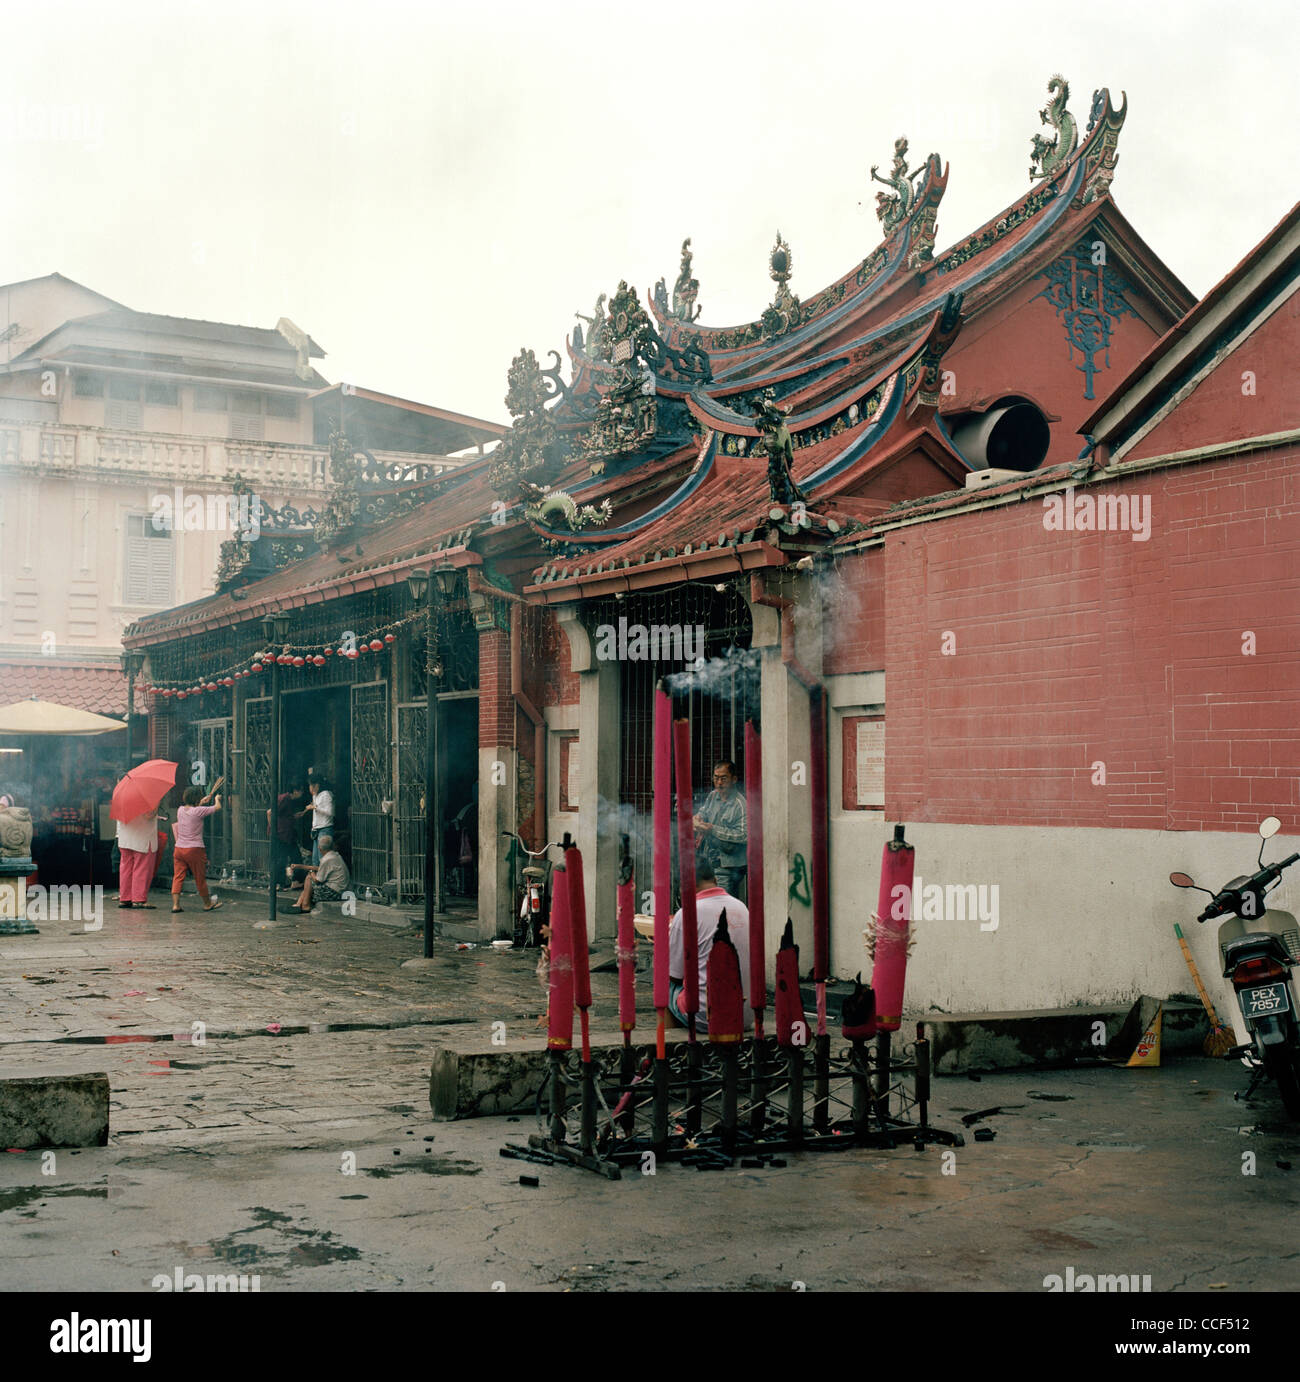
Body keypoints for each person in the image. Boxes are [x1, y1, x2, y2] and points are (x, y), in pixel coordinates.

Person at [667, 856, 750, 1034]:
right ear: (716, 880)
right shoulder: (742, 907)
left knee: (664, 985)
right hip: (746, 1015)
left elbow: (675, 975)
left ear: (684, 886)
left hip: (706, 1017)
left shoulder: (687, 913)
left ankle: (671, 1045)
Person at [692, 760, 748, 898]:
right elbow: (703, 812)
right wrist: (697, 819)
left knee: (722, 902)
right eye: (716, 778)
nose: (719, 782)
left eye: (723, 778)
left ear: (734, 779)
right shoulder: (713, 796)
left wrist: (713, 830)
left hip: (730, 864)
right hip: (710, 860)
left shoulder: (740, 804)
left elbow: (743, 835)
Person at [172, 784, 222, 913]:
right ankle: (207, 903)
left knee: (178, 877)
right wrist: (216, 798)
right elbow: (217, 807)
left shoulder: (180, 810)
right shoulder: (199, 811)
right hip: (194, 849)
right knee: (199, 877)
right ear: (197, 798)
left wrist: (202, 801)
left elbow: (194, 810)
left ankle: (176, 905)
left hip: (179, 848)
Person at [115, 808, 160, 909]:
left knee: (125, 869)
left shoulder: (122, 797)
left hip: (125, 837)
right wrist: (156, 807)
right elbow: (149, 815)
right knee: (142, 868)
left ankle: (125, 898)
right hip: (142, 837)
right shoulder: (147, 798)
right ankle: (139, 899)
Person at [294, 834, 350, 914]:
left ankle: (305, 905)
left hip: (335, 893)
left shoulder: (326, 859)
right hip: (340, 890)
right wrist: (301, 866)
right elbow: (320, 869)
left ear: (319, 848)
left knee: (309, 878)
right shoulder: (335, 855)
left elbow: (317, 880)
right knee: (309, 882)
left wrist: (311, 872)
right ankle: (299, 904)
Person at [267, 786, 306, 889]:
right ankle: (277, 883)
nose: (302, 794)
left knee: (295, 856)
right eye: (301, 791)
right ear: (295, 790)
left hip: (288, 834)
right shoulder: (285, 799)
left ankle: (295, 881)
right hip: (281, 834)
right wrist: (272, 830)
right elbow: (270, 812)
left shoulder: (288, 800)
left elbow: (284, 816)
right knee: (282, 859)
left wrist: (294, 816)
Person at [300, 771, 334, 865]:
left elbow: (330, 812)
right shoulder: (315, 796)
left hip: (324, 828)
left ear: (318, 784)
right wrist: (305, 811)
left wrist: (315, 807)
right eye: (310, 785)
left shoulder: (326, 794)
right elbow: (316, 806)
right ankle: (317, 879)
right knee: (315, 859)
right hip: (316, 829)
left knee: (322, 858)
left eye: (313, 785)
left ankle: (323, 879)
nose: (311, 788)